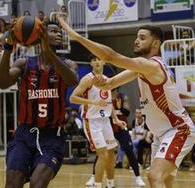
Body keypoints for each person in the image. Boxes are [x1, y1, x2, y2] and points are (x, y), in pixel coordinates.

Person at [58, 17, 195, 188]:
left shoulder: (152, 66)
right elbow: (110, 84)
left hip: (178, 129)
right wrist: (101, 82)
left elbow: (110, 56)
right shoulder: (141, 69)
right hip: (162, 133)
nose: (137, 40)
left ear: (155, 44)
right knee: (165, 181)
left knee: (154, 176)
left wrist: (76, 36)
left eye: (143, 37)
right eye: (137, 37)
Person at [0, 20, 78, 188]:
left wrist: (49, 52)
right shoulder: (24, 63)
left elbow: (71, 80)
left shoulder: (68, 64)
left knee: (37, 183)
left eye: (59, 32)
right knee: (12, 183)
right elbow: (2, 82)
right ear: (40, 35)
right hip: (24, 134)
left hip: (52, 137)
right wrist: (8, 47)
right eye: (53, 31)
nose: (58, 34)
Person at [69, 55, 126, 188]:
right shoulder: (87, 79)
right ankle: (97, 185)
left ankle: (110, 185)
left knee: (112, 153)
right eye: (94, 60)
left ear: (104, 62)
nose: (97, 62)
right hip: (92, 121)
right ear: (91, 63)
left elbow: (109, 102)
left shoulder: (108, 80)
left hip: (105, 121)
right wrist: (92, 102)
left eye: (99, 59)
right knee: (103, 154)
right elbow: (73, 98)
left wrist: (116, 119)